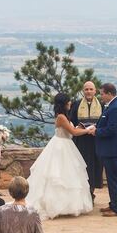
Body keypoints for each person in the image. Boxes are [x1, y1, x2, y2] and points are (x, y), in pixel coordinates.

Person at [27, 92, 95, 220]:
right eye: (68, 101)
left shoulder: (63, 116)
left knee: (67, 175)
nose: (70, 103)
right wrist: (88, 129)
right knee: (59, 176)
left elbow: (71, 129)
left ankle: (67, 206)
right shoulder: (61, 117)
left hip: (65, 144)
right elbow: (73, 132)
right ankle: (58, 206)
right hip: (61, 146)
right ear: (64, 103)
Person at [94, 83, 117, 217]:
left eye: (102, 94)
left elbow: (112, 130)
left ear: (109, 93)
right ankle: (113, 204)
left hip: (114, 151)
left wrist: (96, 131)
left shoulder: (115, 108)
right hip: (111, 151)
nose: (101, 97)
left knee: (115, 180)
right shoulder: (113, 106)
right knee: (112, 179)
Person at [70, 80, 104, 197]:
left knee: (94, 167)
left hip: (96, 141)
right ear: (83, 91)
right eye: (86, 89)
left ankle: (91, 192)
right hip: (81, 141)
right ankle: (83, 193)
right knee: (82, 166)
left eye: (91, 89)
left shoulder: (102, 104)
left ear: (95, 91)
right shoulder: (76, 104)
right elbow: (72, 121)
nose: (89, 91)